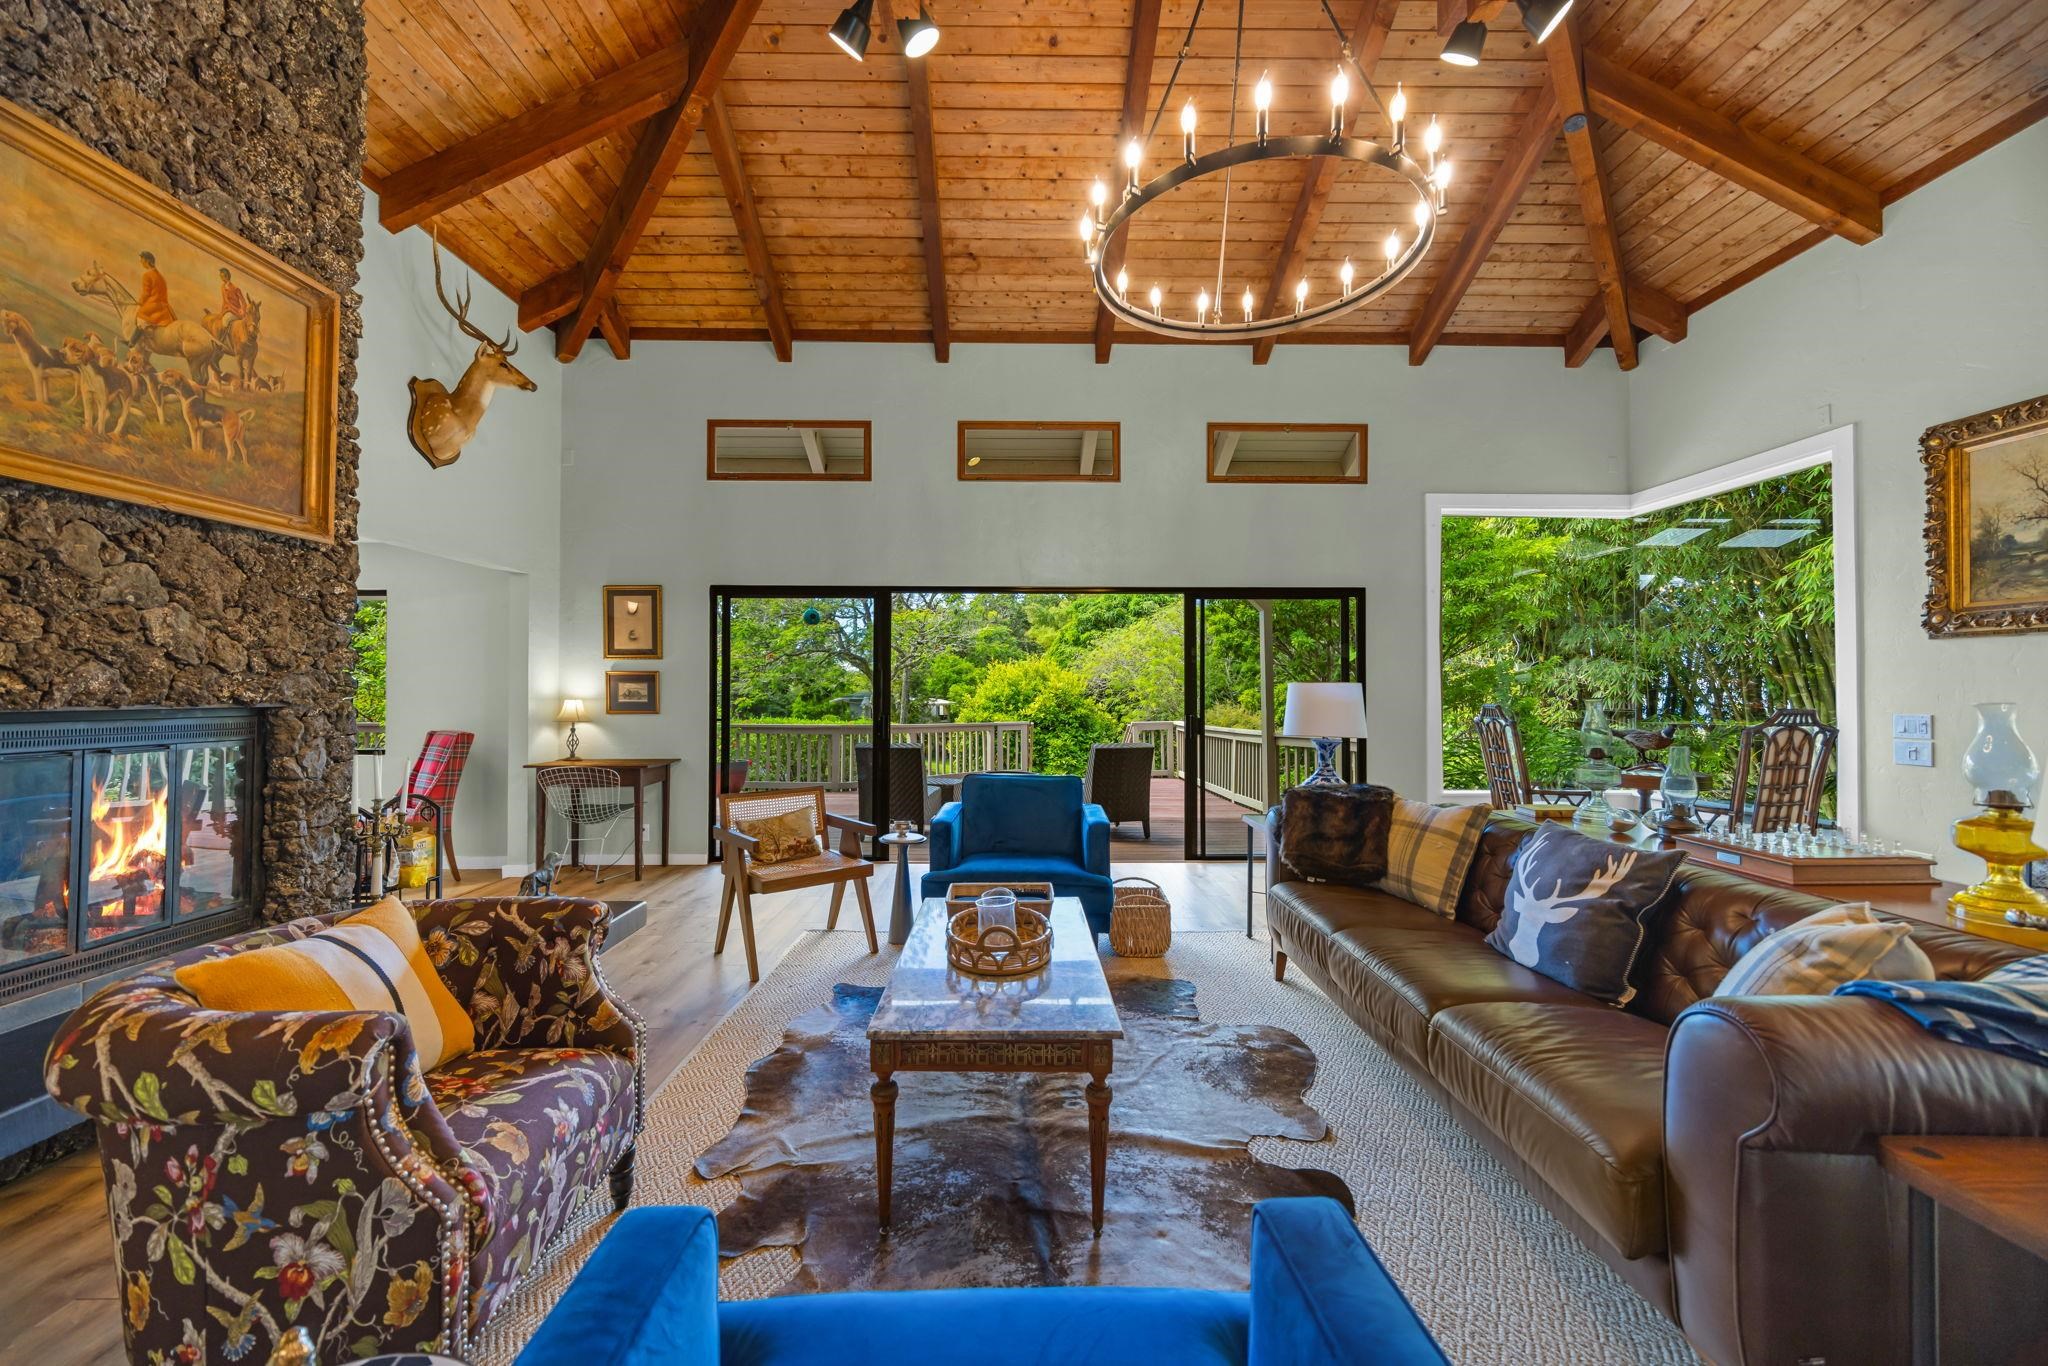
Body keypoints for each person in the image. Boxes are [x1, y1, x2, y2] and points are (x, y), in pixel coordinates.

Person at [132, 250, 174, 348]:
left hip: (153, 304)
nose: (141, 262)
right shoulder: (160, 277)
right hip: (163, 306)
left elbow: (146, 293)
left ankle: (132, 342)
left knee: (139, 315)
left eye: (142, 260)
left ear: (147, 261)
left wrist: (140, 302)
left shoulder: (147, 275)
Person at [213, 267, 249, 345]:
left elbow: (243, 301)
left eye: (222, 276)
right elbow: (224, 301)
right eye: (220, 276)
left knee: (225, 321)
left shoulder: (236, 288)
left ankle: (222, 341)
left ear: (227, 276)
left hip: (235, 311)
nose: (221, 278)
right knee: (218, 319)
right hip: (227, 310)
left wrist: (242, 310)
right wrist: (222, 312)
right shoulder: (222, 287)